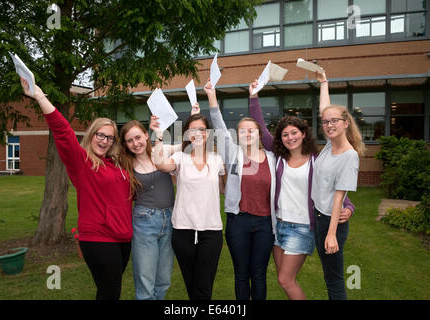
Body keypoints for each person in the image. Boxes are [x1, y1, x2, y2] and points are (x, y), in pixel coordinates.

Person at [20, 78, 132, 300]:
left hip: (123, 239)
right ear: (91, 134)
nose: (105, 140)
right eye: (100, 134)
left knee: (109, 292)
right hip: (99, 238)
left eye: (110, 137)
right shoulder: (82, 162)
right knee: (110, 293)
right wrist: (40, 96)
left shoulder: (116, 164)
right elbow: (63, 132)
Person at [248, 79, 356, 300]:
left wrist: (349, 205)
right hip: (278, 225)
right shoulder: (279, 158)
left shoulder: (317, 158)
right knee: (286, 279)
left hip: (303, 227)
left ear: (304, 134)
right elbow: (259, 127)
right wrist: (253, 97)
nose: (290, 138)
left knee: (285, 280)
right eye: (285, 135)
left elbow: (332, 185)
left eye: (294, 133)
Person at [204, 79, 277, 300]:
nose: (247, 134)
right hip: (239, 221)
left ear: (259, 134)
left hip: (266, 224)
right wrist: (211, 95)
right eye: (243, 131)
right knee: (241, 274)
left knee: (259, 274)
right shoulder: (233, 153)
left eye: (251, 131)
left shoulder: (273, 158)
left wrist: (254, 97)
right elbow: (218, 124)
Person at [119, 106, 198, 300]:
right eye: (130, 140)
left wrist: (193, 117)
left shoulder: (161, 152)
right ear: (126, 144)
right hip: (144, 222)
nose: (135, 143)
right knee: (145, 278)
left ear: (146, 136)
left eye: (138, 137)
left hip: (170, 220)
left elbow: (188, 145)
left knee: (163, 279)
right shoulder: (126, 164)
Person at [153, 108, 225, 300]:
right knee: (191, 283)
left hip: (211, 232)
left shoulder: (217, 160)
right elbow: (159, 164)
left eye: (202, 129)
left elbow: (226, 188)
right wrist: (159, 137)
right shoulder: (180, 158)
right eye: (192, 130)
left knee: (204, 285)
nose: (198, 133)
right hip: (183, 231)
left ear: (208, 133)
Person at [312, 71, 365, 300]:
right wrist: (324, 83)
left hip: (330, 222)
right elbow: (325, 108)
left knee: (334, 280)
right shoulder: (329, 145)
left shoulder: (348, 155)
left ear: (346, 123)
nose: (329, 124)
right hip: (319, 217)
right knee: (329, 276)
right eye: (326, 122)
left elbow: (338, 196)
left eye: (335, 121)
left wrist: (331, 234)